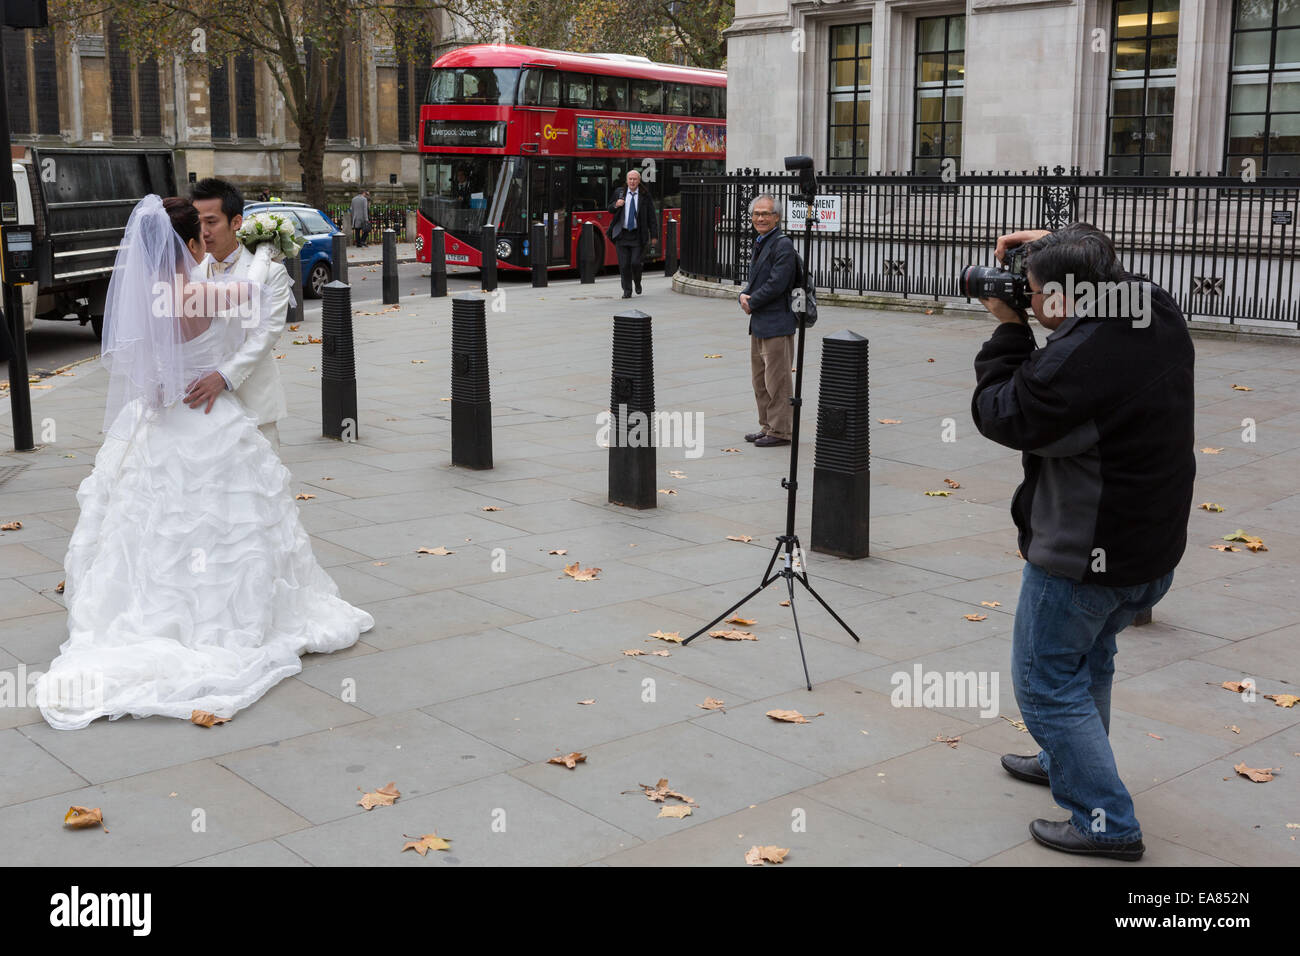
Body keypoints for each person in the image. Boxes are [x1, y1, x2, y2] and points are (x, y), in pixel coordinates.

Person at [33, 195, 373, 730]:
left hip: (157, 422)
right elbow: (256, 294)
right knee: (225, 526)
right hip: (207, 420)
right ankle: (215, 625)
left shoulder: (151, 295)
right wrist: (268, 246)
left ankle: (146, 616)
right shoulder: (199, 294)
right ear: (188, 244)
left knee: (149, 525)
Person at [971, 222, 1195, 861]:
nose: (1029, 301)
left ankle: (1106, 821)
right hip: (1150, 548)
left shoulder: (1071, 364)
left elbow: (1003, 413)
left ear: (1065, 300)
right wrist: (1057, 247)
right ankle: (1060, 760)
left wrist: (1009, 328)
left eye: (1035, 293)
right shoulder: (1153, 305)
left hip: (1085, 555)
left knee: (1045, 680)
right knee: (1089, 661)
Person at [188, 177, 292, 453]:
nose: (204, 231)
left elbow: (266, 335)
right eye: (198, 223)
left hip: (254, 400)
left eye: (211, 222)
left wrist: (223, 376)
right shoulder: (190, 271)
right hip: (201, 406)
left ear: (236, 222)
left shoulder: (271, 272)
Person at [738, 194, 798, 448]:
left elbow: (777, 283)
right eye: (756, 214)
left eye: (766, 214)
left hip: (777, 322)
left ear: (777, 217)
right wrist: (743, 293)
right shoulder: (762, 241)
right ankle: (767, 426)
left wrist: (752, 301)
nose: (760, 218)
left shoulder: (782, 244)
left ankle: (781, 430)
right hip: (761, 322)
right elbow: (758, 279)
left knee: (778, 380)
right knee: (760, 380)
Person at [607, 169, 657, 298]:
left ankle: (637, 281)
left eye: (635, 179)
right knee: (624, 265)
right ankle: (627, 291)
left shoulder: (645, 195)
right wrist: (616, 205)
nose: (632, 181)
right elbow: (609, 208)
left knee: (635, 263)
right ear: (626, 180)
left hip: (637, 235)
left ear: (639, 181)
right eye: (630, 179)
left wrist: (654, 235)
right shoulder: (620, 193)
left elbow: (652, 216)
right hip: (622, 235)